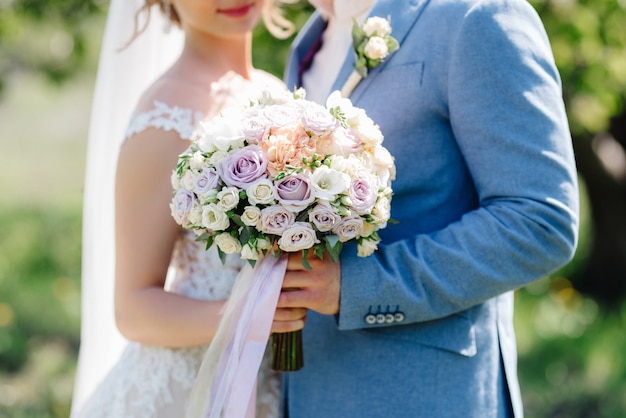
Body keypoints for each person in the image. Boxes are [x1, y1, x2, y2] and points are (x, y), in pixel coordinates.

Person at [279, 0, 579, 416]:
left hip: (423, 393)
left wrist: (356, 287)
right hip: (311, 389)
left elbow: (539, 221)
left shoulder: (476, 17)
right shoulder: (309, 42)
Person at [70, 0, 305, 417]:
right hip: (185, 394)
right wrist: (245, 317)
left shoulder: (279, 93)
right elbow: (133, 310)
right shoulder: (164, 118)